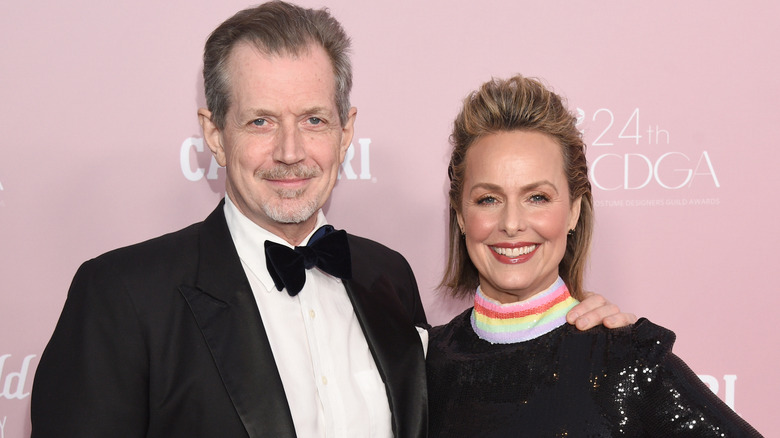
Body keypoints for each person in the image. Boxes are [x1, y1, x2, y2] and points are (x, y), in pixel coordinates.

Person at [31, 3, 634, 437]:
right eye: (261, 121)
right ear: (214, 133)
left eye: (314, 120)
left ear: (347, 131)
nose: (291, 151)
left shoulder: (387, 278)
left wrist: (583, 335)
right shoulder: (121, 297)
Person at [426, 74, 763, 437]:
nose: (511, 223)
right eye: (487, 199)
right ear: (461, 216)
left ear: (573, 210)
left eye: (536, 197)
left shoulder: (627, 360)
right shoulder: (420, 364)